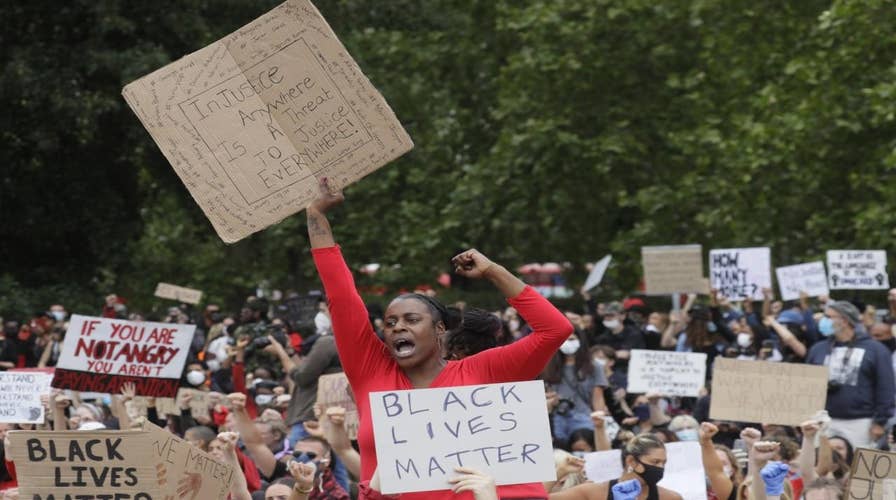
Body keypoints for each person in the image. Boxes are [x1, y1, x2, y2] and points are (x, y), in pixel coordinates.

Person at [306, 178, 573, 499]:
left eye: (411, 320)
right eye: (390, 322)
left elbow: (555, 329)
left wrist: (493, 272)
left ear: (439, 330)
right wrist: (316, 216)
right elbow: (341, 296)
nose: (397, 328)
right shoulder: (371, 372)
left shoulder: (483, 371)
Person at [805, 301, 895, 448]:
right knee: (821, 468)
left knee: (858, 470)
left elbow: (885, 388)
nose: (822, 320)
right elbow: (806, 385)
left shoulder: (876, 350)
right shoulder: (818, 349)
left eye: (828, 316)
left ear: (844, 320)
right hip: (821, 421)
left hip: (861, 423)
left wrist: (880, 422)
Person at [548, 433, 683, 500]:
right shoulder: (594, 493)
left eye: (663, 463)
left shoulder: (670, 497)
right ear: (631, 461)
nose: (660, 468)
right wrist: (560, 471)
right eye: (655, 462)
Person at [543, 329, 608, 442]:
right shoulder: (548, 366)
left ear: (580, 341)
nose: (567, 342)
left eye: (572, 339)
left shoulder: (594, 366)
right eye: (563, 340)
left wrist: (600, 421)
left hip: (584, 417)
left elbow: (598, 397)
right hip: (557, 417)